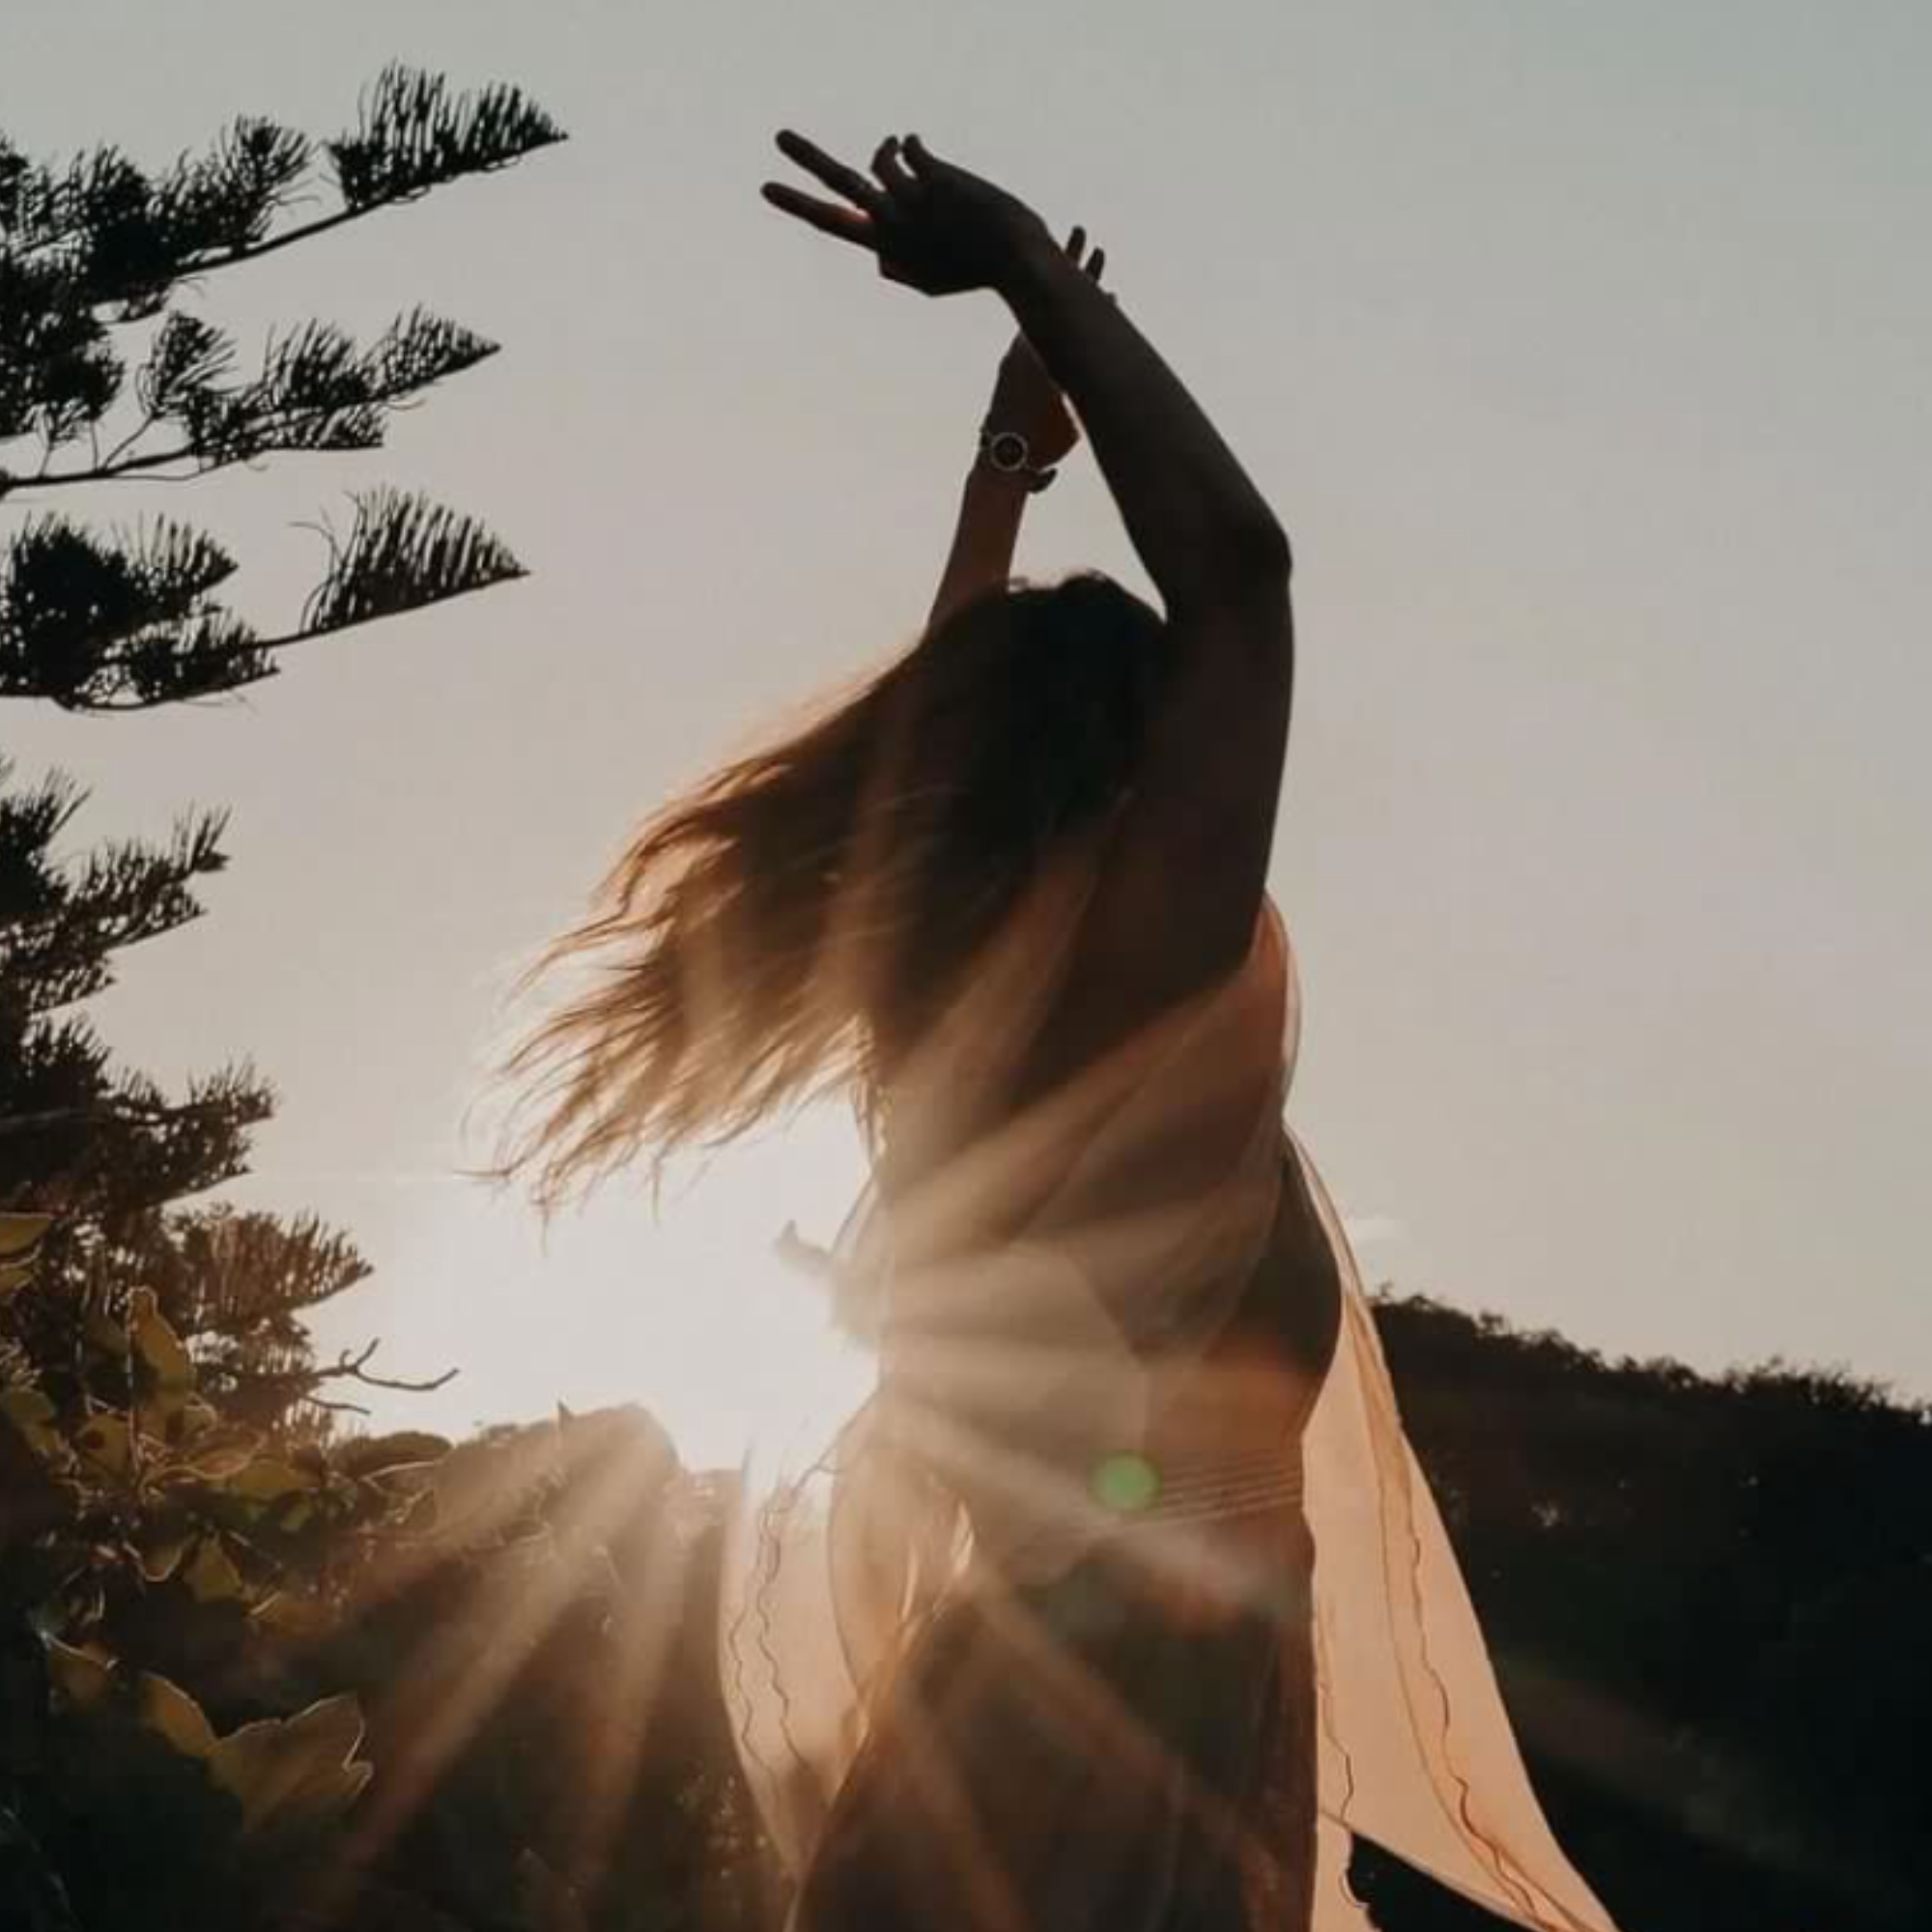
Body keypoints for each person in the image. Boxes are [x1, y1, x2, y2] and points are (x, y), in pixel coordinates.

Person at [498, 129, 1623, 1932]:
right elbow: (1242, 576)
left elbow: (961, 698)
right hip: (1122, 1718)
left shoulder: (949, 1001)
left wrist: (1009, 472)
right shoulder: (1149, 961)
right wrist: (1033, 261)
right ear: (1124, 767)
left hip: (1033, 1688)